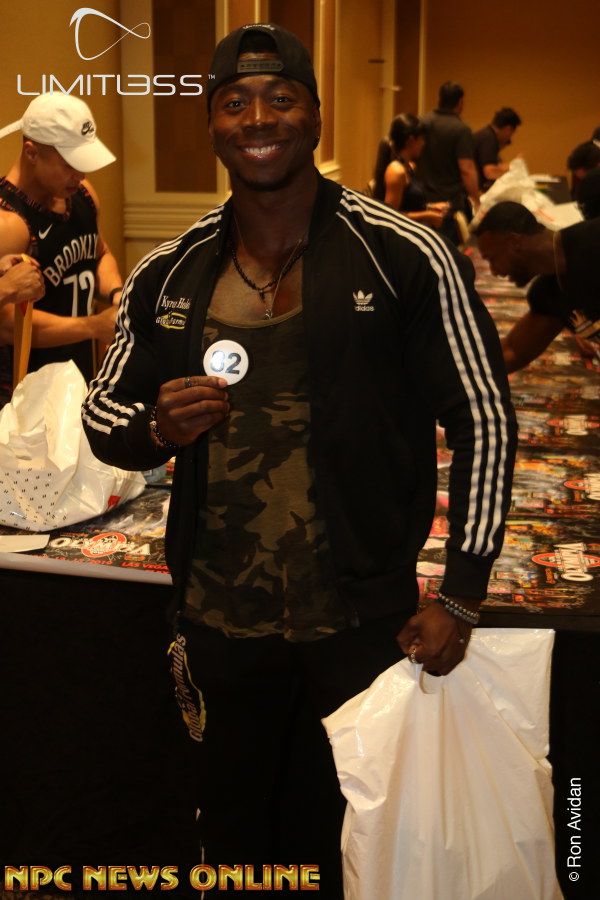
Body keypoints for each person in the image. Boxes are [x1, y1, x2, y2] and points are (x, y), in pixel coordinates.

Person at [83, 24, 516, 897]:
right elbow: (103, 412)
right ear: (212, 123)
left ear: (315, 117)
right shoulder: (170, 272)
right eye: (234, 103)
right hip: (217, 620)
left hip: (359, 623)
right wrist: (156, 429)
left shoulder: (401, 255)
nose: (258, 119)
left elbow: (484, 418)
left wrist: (462, 593)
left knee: (354, 835)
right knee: (233, 832)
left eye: (280, 98)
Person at [0, 92, 123, 399]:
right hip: (25, 395)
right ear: (32, 153)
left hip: (77, 380)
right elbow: (6, 325)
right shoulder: (9, 222)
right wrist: (93, 326)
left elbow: (99, 253)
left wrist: (117, 294)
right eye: (70, 164)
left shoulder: (83, 195)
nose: (80, 175)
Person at [475, 200, 600, 371]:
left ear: (514, 242)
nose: (494, 271)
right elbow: (513, 352)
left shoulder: (593, 240)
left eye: (492, 259)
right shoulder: (549, 293)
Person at [417, 80, 480, 242]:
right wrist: (476, 199)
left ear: (439, 99)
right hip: (449, 204)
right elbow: (466, 168)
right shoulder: (461, 129)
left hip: (421, 201)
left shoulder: (422, 122)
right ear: (460, 102)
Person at [371, 113, 449, 228]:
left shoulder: (410, 166)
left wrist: (430, 207)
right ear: (411, 140)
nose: (423, 143)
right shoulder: (396, 171)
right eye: (422, 138)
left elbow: (408, 204)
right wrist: (426, 215)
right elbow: (390, 215)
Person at [473, 107, 522, 191]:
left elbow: (494, 166)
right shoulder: (489, 139)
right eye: (511, 134)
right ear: (508, 128)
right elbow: (490, 172)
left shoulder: (486, 134)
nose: (509, 138)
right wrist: (514, 167)